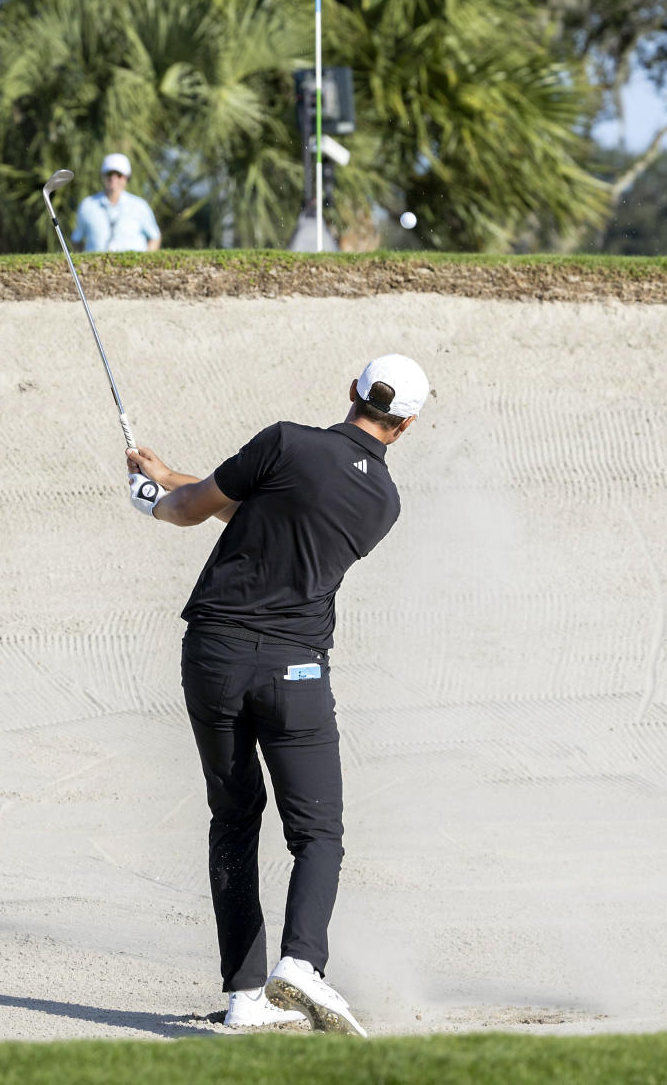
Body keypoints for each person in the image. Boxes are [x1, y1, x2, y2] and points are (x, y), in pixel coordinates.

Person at [125, 354, 430, 1036]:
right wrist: (168, 474)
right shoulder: (384, 503)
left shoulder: (285, 441)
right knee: (317, 830)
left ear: (349, 390)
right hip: (295, 672)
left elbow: (198, 508)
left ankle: (243, 996)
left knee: (233, 818)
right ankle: (300, 963)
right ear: (404, 426)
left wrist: (151, 498)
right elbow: (254, 508)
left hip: (213, 657)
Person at [71, 153, 161, 252]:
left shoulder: (140, 205)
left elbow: (155, 238)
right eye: (109, 174)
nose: (113, 179)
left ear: (127, 177)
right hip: (95, 267)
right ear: (102, 175)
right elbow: (76, 240)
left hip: (134, 267)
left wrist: (145, 263)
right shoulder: (87, 205)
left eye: (118, 175)